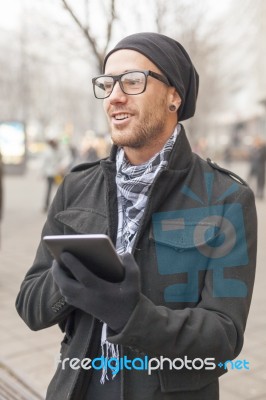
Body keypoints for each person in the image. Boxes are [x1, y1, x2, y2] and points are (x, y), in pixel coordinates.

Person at [16, 32, 257, 400]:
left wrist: (133, 315)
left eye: (132, 81)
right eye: (107, 83)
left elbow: (224, 337)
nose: (115, 96)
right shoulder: (78, 187)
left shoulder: (226, 198)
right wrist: (68, 279)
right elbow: (30, 306)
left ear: (174, 95)